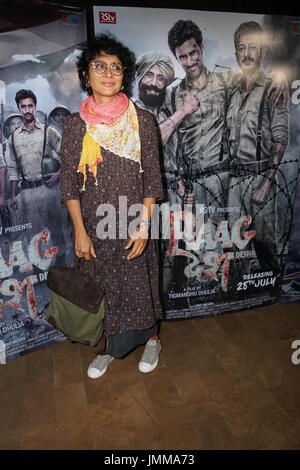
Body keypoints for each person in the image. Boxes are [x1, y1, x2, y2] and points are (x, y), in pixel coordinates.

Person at [60, 35, 164, 379]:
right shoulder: (76, 126)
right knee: (104, 289)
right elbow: (69, 185)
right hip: (96, 227)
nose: (108, 73)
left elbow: (152, 177)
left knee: (142, 284)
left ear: (125, 75)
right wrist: (79, 231)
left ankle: (152, 340)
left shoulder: (142, 121)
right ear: (86, 75)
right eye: (99, 66)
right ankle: (108, 349)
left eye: (116, 67)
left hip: (136, 221)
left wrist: (144, 225)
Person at [226, 21, 289, 272]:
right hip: (234, 181)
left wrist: (266, 183)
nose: (247, 53)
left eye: (253, 47)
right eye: (242, 48)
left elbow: (280, 139)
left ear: (262, 52)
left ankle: (272, 292)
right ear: (236, 54)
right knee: (235, 246)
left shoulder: (273, 88)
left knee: (265, 244)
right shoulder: (231, 91)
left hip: (260, 177)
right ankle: (241, 297)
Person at [6, 89, 66, 255]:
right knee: (33, 238)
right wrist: (12, 195)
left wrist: (57, 175)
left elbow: (68, 155)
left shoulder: (48, 131)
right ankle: (40, 273)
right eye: (23, 106)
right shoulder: (13, 138)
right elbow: (12, 168)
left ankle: (62, 270)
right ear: (19, 108)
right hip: (27, 193)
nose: (27, 110)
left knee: (57, 232)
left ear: (35, 106)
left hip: (49, 189)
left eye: (30, 106)